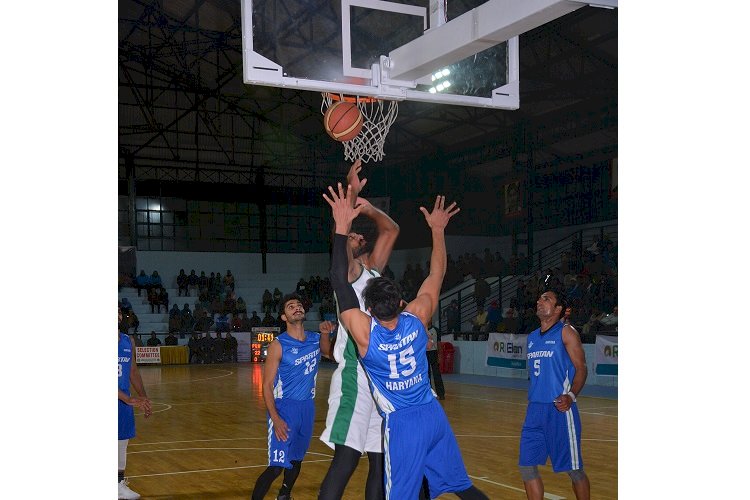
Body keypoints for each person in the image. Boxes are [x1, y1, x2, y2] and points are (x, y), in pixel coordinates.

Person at [324, 184, 487, 500]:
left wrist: (341, 226)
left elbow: (337, 280)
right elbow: (436, 274)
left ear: (367, 310)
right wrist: (438, 231)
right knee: (463, 487)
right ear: (401, 302)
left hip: (403, 423)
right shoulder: (416, 320)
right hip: (433, 413)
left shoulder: (365, 337)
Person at [318, 161, 400, 500]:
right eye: (350, 234)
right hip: (354, 373)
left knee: (380, 464)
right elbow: (339, 256)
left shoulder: (373, 269)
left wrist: (367, 206)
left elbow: (391, 230)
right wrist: (349, 199)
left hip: (379, 375)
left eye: (358, 232)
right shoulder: (349, 271)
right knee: (346, 459)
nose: (357, 234)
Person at [251, 293, 331, 500]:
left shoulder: (314, 338)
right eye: (290, 306)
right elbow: (267, 385)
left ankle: (284, 495)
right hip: (284, 408)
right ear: (284, 317)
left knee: (296, 460)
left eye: (299, 305)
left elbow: (328, 353)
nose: (297, 308)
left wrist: (324, 334)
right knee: (277, 466)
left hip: (307, 408)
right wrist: (275, 419)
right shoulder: (278, 344)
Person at [518, 287, 590, 500]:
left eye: (547, 299)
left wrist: (571, 395)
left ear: (558, 308)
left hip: (559, 409)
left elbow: (581, 368)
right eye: (539, 298)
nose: (540, 301)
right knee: (527, 466)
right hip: (534, 410)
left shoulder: (566, 332)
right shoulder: (531, 337)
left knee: (574, 470)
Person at [118, 306, 152, 499]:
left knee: (122, 441)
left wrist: (143, 396)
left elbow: (133, 372)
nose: (117, 315)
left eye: (119, 312)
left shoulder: (127, 341)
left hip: (122, 401)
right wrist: (127, 398)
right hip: (122, 398)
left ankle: (118, 485)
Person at [426, 320, 446, 400]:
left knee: (437, 374)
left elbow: (439, 343)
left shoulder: (436, 330)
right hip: (425, 353)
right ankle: (429, 394)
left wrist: (440, 355)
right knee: (427, 375)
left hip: (434, 353)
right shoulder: (422, 329)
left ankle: (441, 393)